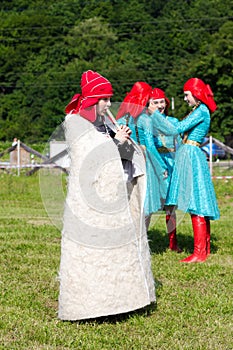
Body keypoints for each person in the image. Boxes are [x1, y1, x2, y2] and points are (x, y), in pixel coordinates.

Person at [58, 70, 155, 321]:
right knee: (94, 253)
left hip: (112, 197)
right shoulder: (75, 122)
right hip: (90, 203)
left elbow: (108, 150)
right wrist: (114, 142)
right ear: (92, 100)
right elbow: (87, 156)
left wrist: (120, 140)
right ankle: (91, 305)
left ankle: (122, 300)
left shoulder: (102, 124)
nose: (110, 104)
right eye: (105, 99)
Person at [151, 78, 220, 263]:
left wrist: (155, 115)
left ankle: (199, 253)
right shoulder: (198, 111)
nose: (184, 98)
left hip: (191, 155)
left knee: (196, 203)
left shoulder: (201, 110)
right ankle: (204, 249)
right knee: (197, 202)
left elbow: (177, 128)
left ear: (196, 94)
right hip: (190, 154)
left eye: (187, 94)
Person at [116, 82, 168, 231]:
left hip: (125, 162)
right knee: (145, 203)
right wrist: (162, 167)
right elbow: (150, 147)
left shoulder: (123, 118)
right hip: (143, 162)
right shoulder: (145, 119)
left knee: (128, 201)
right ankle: (140, 239)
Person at [148, 88, 182, 252]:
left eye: (162, 101)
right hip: (155, 163)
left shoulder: (173, 121)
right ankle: (143, 241)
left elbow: (181, 142)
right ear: (149, 104)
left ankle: (173, 243)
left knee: (171, 206)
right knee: (150, 204)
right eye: (155, 102)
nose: (160, 105)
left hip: (171, 162)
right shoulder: (147, 122)